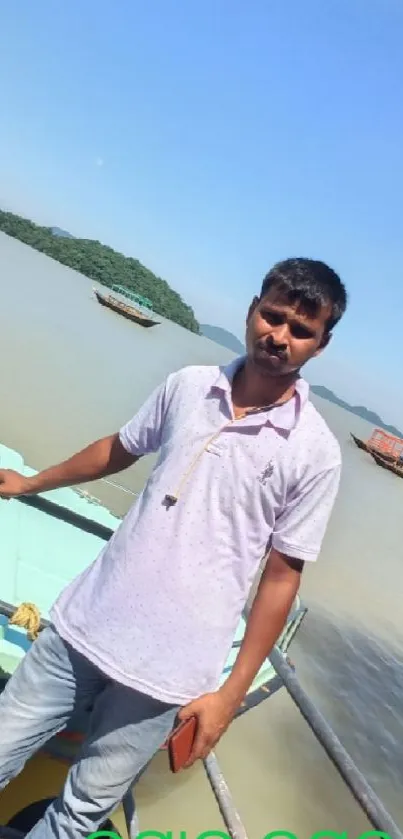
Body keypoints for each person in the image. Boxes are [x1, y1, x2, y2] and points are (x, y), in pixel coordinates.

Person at [0, 257, 347, 839]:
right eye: (273, 316)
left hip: (167, 677)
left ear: (320, 345)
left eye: (300, 330)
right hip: (81, 629)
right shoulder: (189, 386)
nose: (279, 336)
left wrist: (229, 696)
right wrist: (30, 483)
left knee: (77, 815)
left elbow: (283, 575)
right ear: (252, 309)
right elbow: (119, 448)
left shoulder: (315, 453)